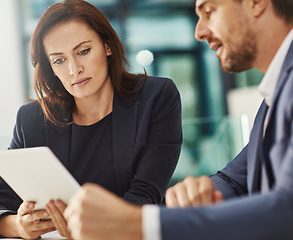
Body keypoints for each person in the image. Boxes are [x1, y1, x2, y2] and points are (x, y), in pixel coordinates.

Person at [64, 0, 293, 239]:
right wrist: (198, 191)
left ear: (256, 3)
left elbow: (288, 210)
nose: (199, 32)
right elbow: (235, 180)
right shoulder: (276, 93)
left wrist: (139, 223)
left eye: (209, 11)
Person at [0, 0, 182, 239]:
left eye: (83, 51)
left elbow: (146, 195)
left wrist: (87, 228)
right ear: (50, 68)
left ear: (107, 46)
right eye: (59, 60)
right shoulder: (32, 119)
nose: (74, 69)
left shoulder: (157, 97)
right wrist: (20, 226)